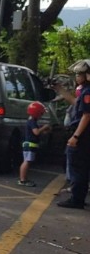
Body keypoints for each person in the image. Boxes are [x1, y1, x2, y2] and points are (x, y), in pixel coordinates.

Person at [55, 59, 90, 209]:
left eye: (79, 74)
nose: (77, 77)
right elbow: (77, 103)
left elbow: (87, 115)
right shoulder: (85, 91)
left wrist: (75, 136)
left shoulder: (88, 91)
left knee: (78, 168)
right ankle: (78, 197)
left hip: (83, 136)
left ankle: (77, 199)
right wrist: (60, 90)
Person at [17, 102, 51, 187]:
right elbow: (36, 132)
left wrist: (43, 130)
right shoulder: (32, 121)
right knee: (27, 161)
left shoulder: (32, 121)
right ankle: (23, 180)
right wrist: (44, 127)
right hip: (30, 145)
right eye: (41, 113)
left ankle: (23, 178)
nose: (41, 115)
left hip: (29, 144)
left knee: (27, 161)